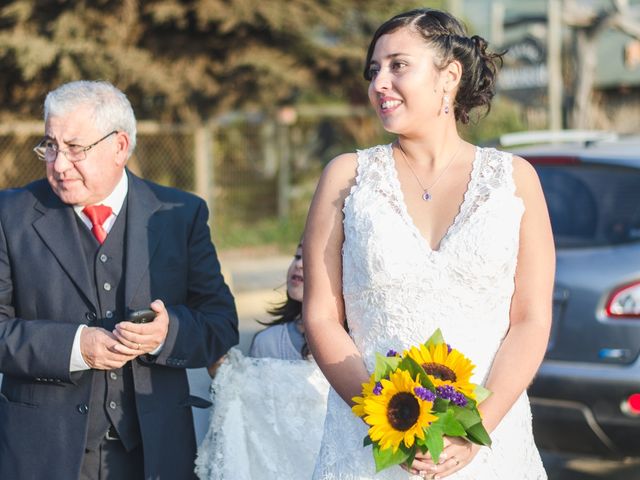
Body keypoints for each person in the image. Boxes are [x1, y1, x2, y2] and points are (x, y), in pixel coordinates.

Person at [304, 8, 554, 480]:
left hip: (487, 446)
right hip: (370, 442)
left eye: (398, 65)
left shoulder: (515, 181)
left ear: (449, 76)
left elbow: (530, 319)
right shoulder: (346, 177)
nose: (379, 82)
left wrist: (476, 429)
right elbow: (320, 314)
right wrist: (388, 415)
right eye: (374, 70)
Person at [0, 80, 238, 480]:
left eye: (75, 148)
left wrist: (167, 334)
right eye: (50, 145)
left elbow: (221, 324)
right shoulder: (11, 215)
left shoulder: (180, 215)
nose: (58, 163)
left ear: (120, 146)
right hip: (42, 453)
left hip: (155, 456)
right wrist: (76, 347)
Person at [195, 241, 329, 480]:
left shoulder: (354, 345)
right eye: (297, 255)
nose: (299, 264)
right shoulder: (269, 341)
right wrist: (226, 376)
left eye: (310, 259)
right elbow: (255, 422)